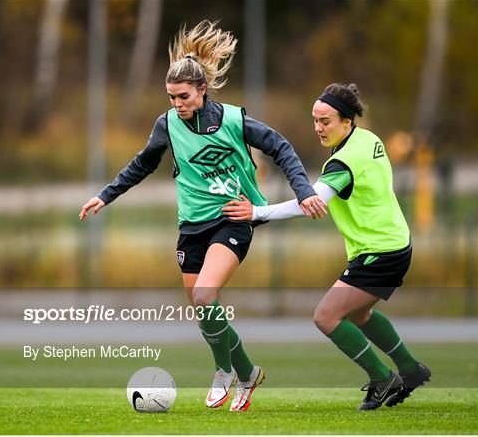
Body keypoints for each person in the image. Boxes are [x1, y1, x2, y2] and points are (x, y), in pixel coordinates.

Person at [79, 20, 325, 412]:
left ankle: (224, 371)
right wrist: (104, 196)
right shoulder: (167, 125)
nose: (177, 104)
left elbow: (280, 146)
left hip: (234, 217)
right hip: (190, 225)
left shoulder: (232, 120)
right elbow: (141, 165)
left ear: (202, 90)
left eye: (183, 96)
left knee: (206, 294)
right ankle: (248, 373)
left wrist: (304, 190)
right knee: (204, 310)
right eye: (171, 97)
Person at [223, 83, 431, 411]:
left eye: (326, 121)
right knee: (360, 313)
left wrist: (256, 213)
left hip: (382, 251)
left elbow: (311, 203)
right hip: (391, 244)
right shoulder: (368, 139)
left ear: (347, 122)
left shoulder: (343, 162)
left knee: (326, 316)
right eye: (315, 120)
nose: (318, 128)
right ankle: (409, 370)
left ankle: (382, 377)